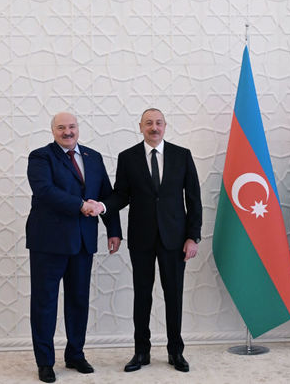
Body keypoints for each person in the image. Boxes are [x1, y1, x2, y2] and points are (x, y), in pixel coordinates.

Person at [98, 108, 202, 373]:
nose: (154, 127)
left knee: (174, 296)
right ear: (140, 127)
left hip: (175, 239)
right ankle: (141, 352)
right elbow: (121, 195)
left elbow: (193, 199)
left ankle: (175, 352)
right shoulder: (128, 157)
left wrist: (193, 236)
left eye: (158, 123)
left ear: (165, 126)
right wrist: (102, 206)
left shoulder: (182, 155)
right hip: (141, 238)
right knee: (142, 296)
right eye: (148, 123)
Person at [26, 112, 122, 383]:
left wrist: (113, 230)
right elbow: (45, 191)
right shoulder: (41, 157)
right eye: (61, 128)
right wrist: (80, 205)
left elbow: (105, 195)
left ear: (78, 128)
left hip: (82, 241)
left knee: (78, 300)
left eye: (71, 127)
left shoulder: (93, 157)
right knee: (44, 303)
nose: (67, 132)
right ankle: (45, 362)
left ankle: (75, 354)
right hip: (49, 242)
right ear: (53, 130)